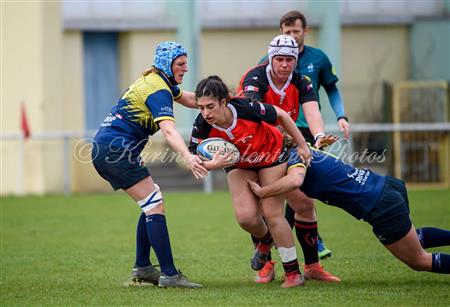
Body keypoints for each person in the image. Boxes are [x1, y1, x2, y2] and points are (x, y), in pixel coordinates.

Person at [91, 41, 207, 289]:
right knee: (154, 205)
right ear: (167, 64)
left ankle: (143, 266)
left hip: (108, 146)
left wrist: (220, 100)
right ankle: (169, 274)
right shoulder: (158, 90)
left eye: (185, 63)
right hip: (116, 148)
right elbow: (168, 130)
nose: (186, 68)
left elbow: (188, 98)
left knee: (152, 202)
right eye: (180, 64)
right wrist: (188, 156)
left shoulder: (157, 81)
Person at [189, 75, 312, 288]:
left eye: (210, 106)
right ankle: (265, 242)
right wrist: (211, 165)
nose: (205, 113)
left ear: (223, 102)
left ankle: (293, 273)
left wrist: (302, 144)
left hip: (271, 155)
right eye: (201, 108)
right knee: (245, 217)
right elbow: (194, 156)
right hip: (239, 163)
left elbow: (281, 115)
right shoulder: (202, 124)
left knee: (272, 213)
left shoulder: (245, 108)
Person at [248, 146, 450, 275]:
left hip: (381, 205)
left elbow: (295, 180)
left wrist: (262, 191)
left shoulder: (292, 156)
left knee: (418, 260)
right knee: (412, 238)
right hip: (387, 185)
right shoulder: (306, 149)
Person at [239, 34, 340, 283]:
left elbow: (312, 110)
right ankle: (268, 264)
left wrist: (317, 136)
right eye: (280, 59)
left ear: (295, 61)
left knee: (304, 204)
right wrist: (291, 138)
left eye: (289, 60)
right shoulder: (256, 77)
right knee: (263, 210)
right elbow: (254, 115)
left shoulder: (301, 82)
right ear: (272, 58)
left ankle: (313, 267)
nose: (284, 65)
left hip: (285, 144)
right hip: (255, 147)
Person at [259, 10, 351, 260]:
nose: (291, 35)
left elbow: (332, 89)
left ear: (305, 31)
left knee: (303, 189)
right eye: (286, 31)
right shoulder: (266, 63)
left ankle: (298, 243)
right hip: (278, 135)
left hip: (309, 132)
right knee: (291, 190)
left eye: (295, 31)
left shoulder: (318, 58)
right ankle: (306, 241)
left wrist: (341, 116)